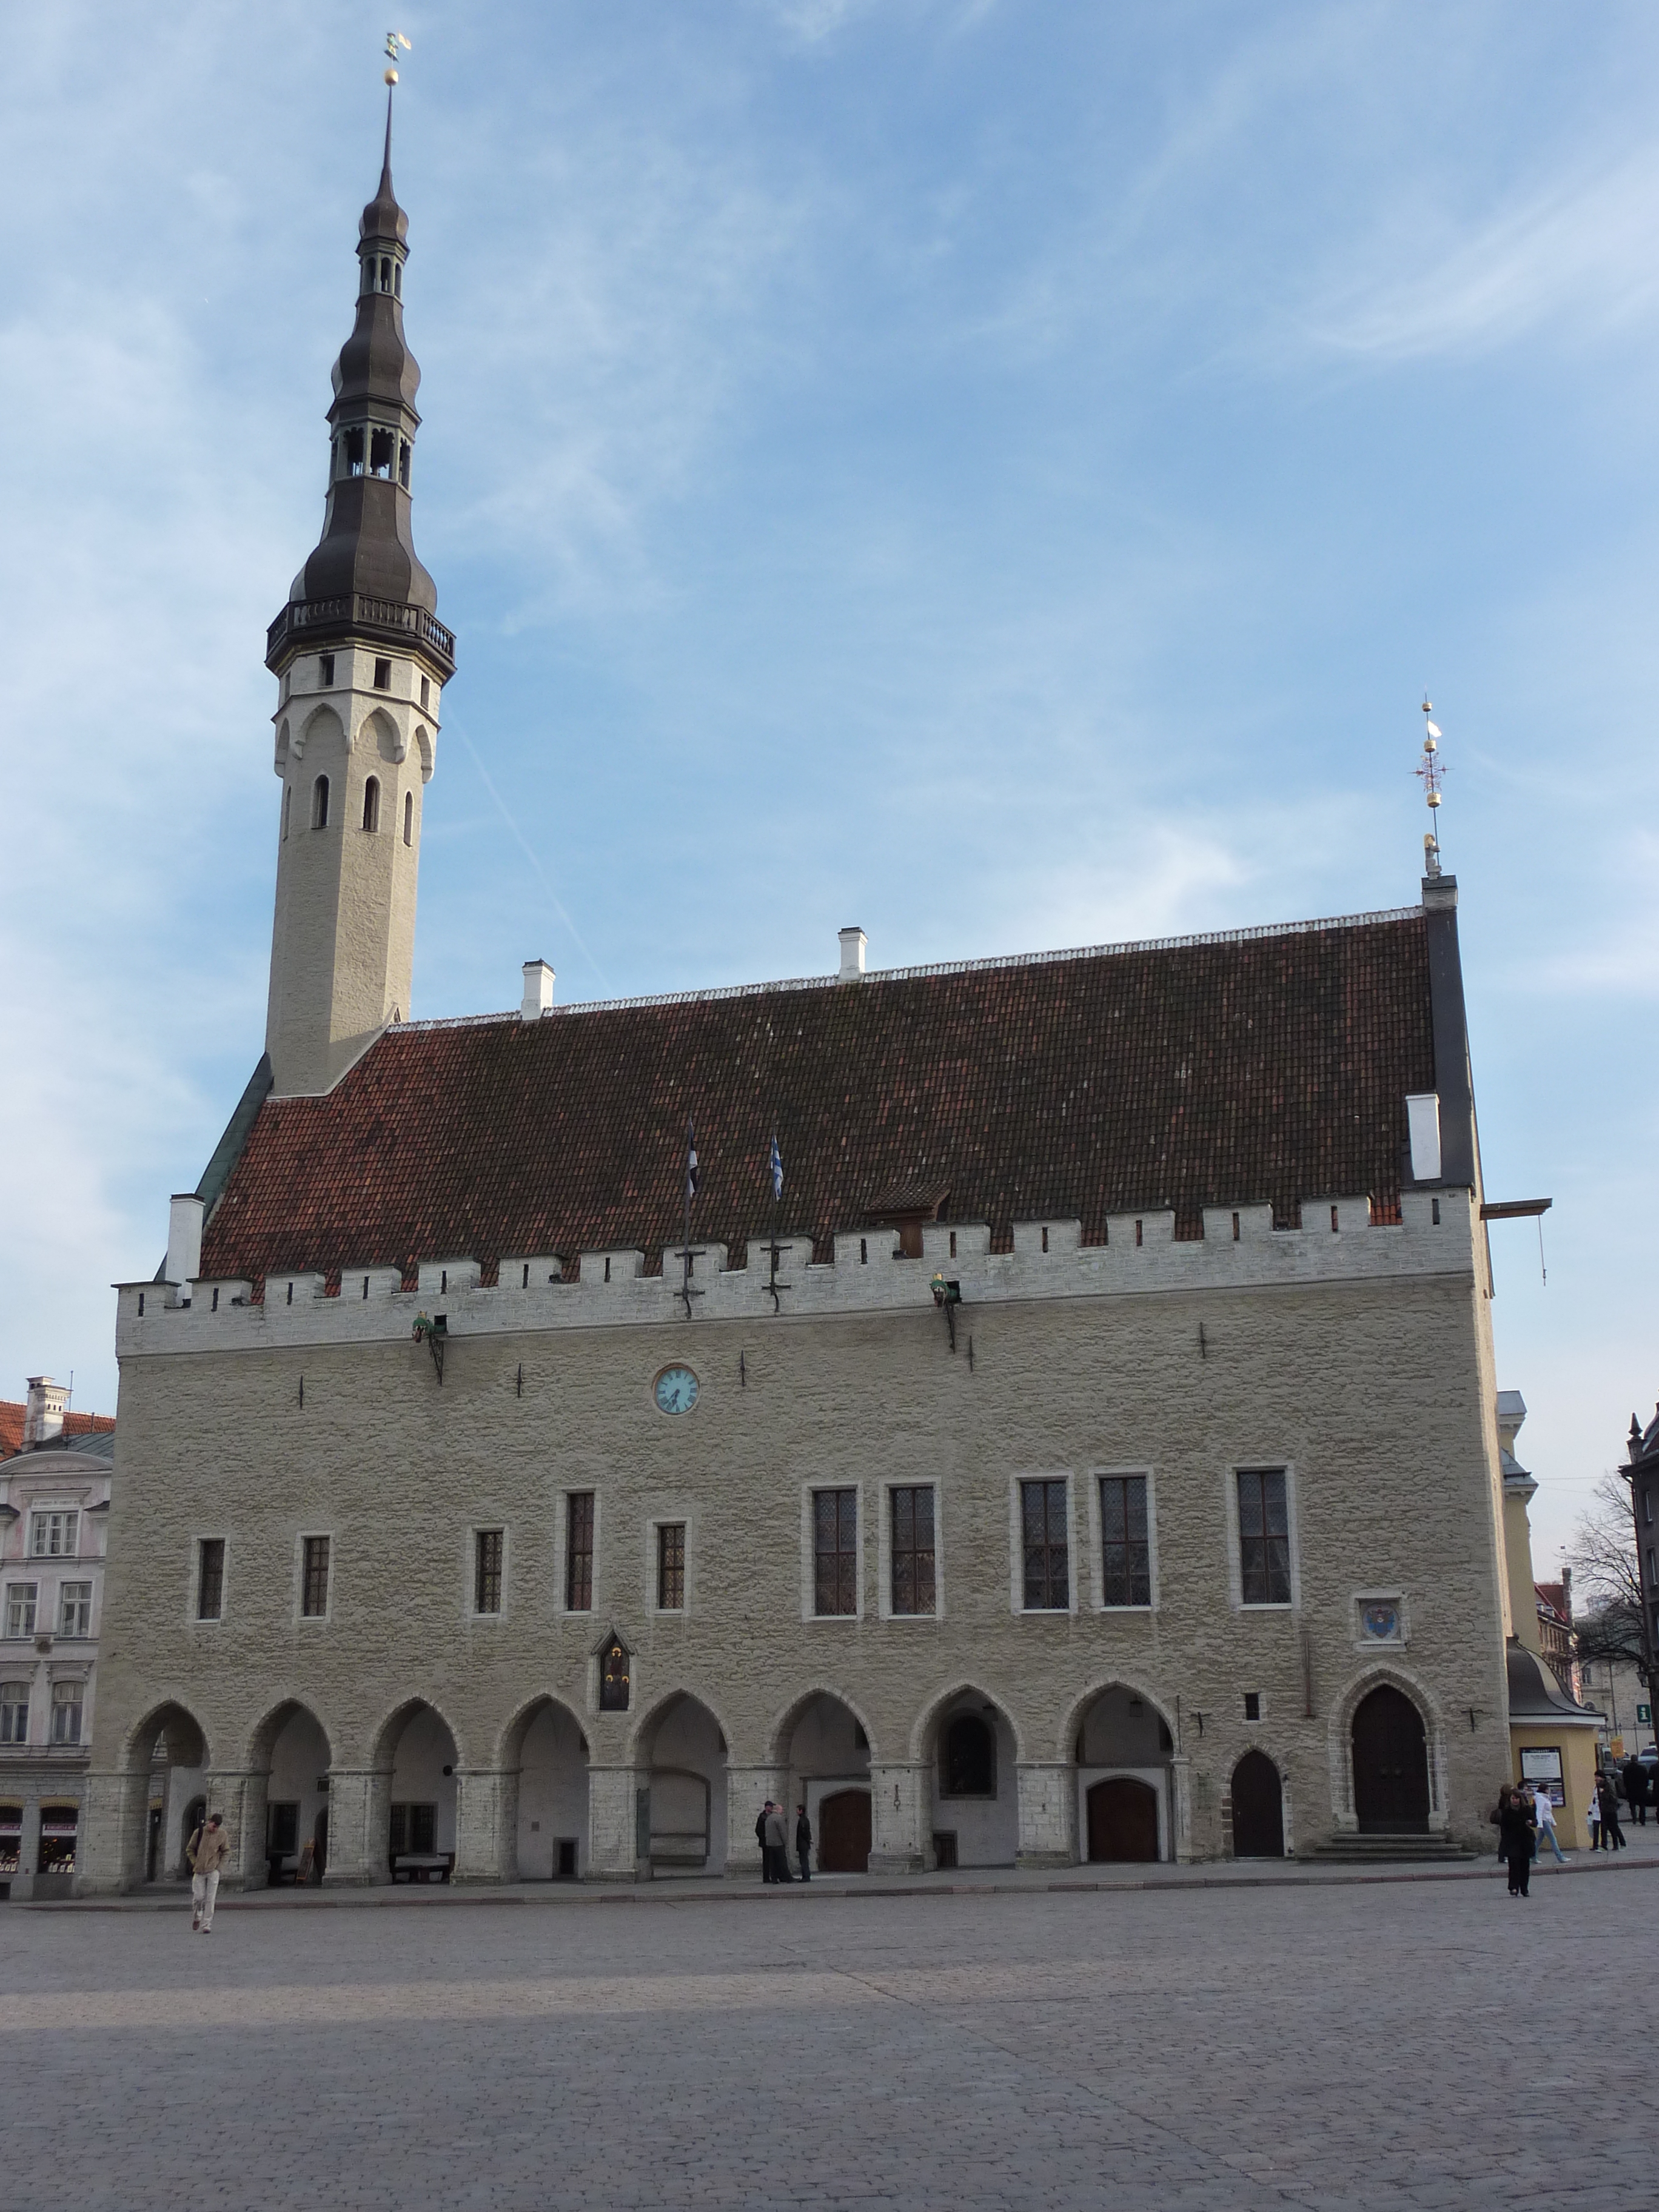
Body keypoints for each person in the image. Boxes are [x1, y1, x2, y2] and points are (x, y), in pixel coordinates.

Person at [187, 1811, 231, 1932]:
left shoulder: (222, 1835)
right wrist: (194, 1862)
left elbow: (226, 1851)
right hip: (199, 1870)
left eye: (218, 1827)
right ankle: (197, 1917)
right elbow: (190, 1849)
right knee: (199, 1897)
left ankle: (207, 1925)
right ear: (210, 1822)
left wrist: (219, 1867)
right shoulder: (199, 1832)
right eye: (214, 1826)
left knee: (211, 1899)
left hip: (213, 1870)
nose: (215, 1829)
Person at [1490, 1787, 1536, 1897]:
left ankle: (1524, 1888)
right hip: (1512, 1841)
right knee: (1514, 1864)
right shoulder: (1507, 1811)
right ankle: (1514, 1887)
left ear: (1520, 1799)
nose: (1515, 1800)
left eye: (1516, 1798)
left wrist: (1531, 1822)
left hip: (1525, 1840)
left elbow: (1535, 1822)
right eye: (1513, 1798)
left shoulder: (1526, 1809)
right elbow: (1504, 1826)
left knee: (1525, 1866)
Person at [1530, 1780, 1566, 1865]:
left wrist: (1553, 1822)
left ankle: (1533, 1856)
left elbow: (1549, 1812)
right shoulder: (1541, 1799)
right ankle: (1560, 1857)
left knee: (1539, 1840)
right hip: (1544, 1821)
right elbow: (1539, 1811)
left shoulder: (1545, 1798)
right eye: (1548, 1789)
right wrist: (1540, 1824)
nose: (1549, 1790)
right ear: (1545, 1790)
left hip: (1546, 1820)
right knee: (1553, 1839)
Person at [1598, 1772, 1626, 1852]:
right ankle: (1604, 1846)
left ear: (1602, 1778)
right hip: (1604, 1810)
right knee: (1604, 1828)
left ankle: (1621, 1843)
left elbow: (1613, 1798)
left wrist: (1603, 1793)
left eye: (1597, 1777)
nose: (1596, 1779)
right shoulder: (1599, 1786)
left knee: (1614, 1828)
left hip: (1611, 1810)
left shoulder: (1609, 1786)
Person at [763, 1800, 791, 1882]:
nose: (782, 1812)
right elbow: (783, 1832)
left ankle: (774, 1878)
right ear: (778, 1810)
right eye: (782, 1810)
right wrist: (786, 1842)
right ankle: (788, 1877)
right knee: (782, 1861)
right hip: (778, 1844)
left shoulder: (768, 1818)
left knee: (773, 1862)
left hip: (770, 1844)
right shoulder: (779, 1819)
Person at [1623, 1754, 1647, 1828]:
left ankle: (1634, 1818)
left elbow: (1625, 1780)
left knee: (1632, 1805)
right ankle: (1642, 1820)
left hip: (1631, 1790)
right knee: (1642, 1806)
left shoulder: (1627, 1769)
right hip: (1641, 1790)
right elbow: (1646, 1780)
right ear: (1637, 1760)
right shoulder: (1642, 1769)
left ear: (1631, 1760)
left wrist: (1627, 1787)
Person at [755, 1801, 773, 1882]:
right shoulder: (762, 1817)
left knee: (771, 1859)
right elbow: (758, 1830)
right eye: (771, 1806)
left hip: (771, 1841)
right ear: (767, 1807)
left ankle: (772, 1876)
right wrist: (763, 1837)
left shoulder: (771, 1816)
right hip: (765, 1842)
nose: (772, 1808)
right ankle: (766, 1877)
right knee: (766, 1860)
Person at [795, 1803, 813, 1883]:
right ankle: (806, 1875)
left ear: (801, 1811)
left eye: (798, 1810)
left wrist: (807, 1839)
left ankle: (806, 1876)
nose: (797, 1812)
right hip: (805, 1843)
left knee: (804, 1860)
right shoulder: (805, 1819)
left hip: (803, 1843)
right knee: (804, 1860)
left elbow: (803, 1832)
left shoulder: (802, 1820)